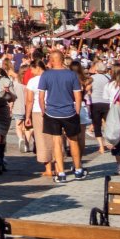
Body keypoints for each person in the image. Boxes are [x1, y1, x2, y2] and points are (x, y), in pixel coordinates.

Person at [35, 49, 85, 182]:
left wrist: (43, 110)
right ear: (62, 60)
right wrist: (77, 111)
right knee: (73, 140)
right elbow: (78, 95)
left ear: (51, 60)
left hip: (52, 112)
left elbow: (41, 97)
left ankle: (61, 173)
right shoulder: (71, 75)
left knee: (56, 142)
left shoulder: (46, 75)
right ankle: (78, 170)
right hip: (69, 112)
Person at [90, 61, 113, 153]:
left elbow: (89, 90)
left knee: (97, 125)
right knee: (107, 124)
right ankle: (108, 142)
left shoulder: (92, 78)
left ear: (96, 69)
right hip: (107, 102)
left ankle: (101, 146)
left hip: (95, 102)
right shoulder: (109, 77)